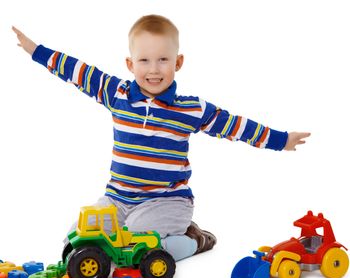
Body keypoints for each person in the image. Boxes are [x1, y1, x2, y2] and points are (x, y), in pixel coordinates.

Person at [12, 15, 310, 262]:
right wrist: (36, 51)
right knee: (78, 233)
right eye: (144, 60)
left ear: (177, 62)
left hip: (167, 201)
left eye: (163, 60)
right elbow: (79, 71)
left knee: (137, 241)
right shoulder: (117, 95)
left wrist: (281, 140)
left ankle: (194, 240)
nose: (153, 70)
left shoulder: (189, 109)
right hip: (118, 198)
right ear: (131, 65)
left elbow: (235, 125)